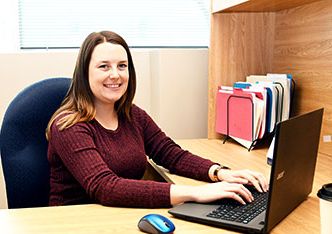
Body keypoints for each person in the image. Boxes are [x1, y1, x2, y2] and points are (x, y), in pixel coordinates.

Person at [46, 30, 268, 208]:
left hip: (117, 218)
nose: (115, 74)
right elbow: (105, 187)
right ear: (85, 73)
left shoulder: (133, 116)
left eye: (122, 66)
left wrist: (222, 173)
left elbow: (171, 155)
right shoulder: (69, 126)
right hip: (75, 225)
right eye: (104, 66)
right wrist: (196, 193)